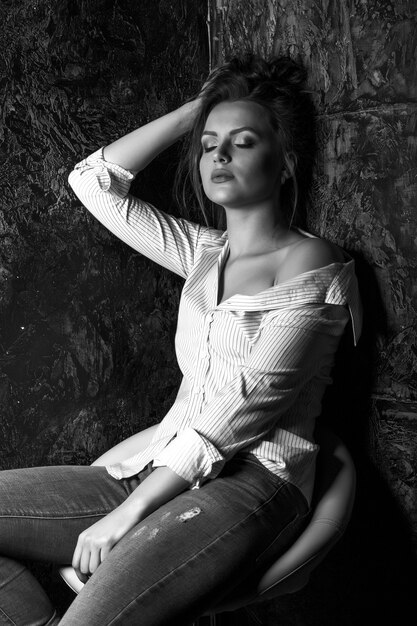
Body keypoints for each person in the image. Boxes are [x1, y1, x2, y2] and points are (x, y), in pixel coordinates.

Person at [0, 54, 361, 625]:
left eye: (242, 141)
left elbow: (239, 409)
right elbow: (93, 183)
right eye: (208, 143)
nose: (218, 155)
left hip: (251, 485)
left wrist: (129, 514)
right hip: (158, 469)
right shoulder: (202, 252)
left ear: (286, 163)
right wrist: (205, 106)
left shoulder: (311, 263)